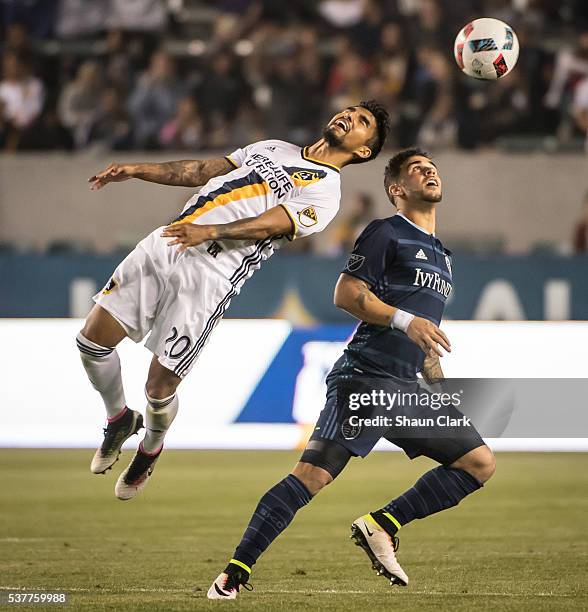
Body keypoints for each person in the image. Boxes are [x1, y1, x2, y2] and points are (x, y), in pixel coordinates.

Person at [208, 148, 495, 599]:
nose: (429, 171)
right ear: (397, 190)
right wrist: (406, 321)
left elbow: (422, 327)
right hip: (365, 377)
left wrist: (435, 375)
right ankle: (234, 572)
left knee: (478, 463)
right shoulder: (386, 232)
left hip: (405, 385)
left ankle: (382, 524)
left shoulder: (443, 255)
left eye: (432, 167)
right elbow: (346, 292)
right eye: (416, 169)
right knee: (311, 477)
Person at [79, 101, 391, 501]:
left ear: (364, 150)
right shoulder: (274, 147)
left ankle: (151, 445)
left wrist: (210, 231)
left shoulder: (326, 191)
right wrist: (139, 170)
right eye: (349, 110)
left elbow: (272, 223)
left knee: (159, 387)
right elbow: (201, 171)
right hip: (167, 243)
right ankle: (119, 418)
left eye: (362, 121)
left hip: (209, 275)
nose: (349, 117)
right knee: (91, 342)